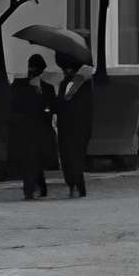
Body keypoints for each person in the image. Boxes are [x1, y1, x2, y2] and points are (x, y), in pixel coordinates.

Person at [8, 53, 58, 200]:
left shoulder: (47, 88)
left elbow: (53, 106)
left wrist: (46, 109)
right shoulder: (19, 85)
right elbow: (15, 106)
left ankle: (40, 187)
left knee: (37, 160)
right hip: (26, 129)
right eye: (32, 68)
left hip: (41, 129)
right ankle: (29, 189)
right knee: (29, 160)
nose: (33, 71)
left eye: (36, 69)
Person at [52, 54, 95, 198]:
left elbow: (85, 107)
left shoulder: (85, 84)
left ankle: (77, 185)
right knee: (67, 157)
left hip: (79, 127)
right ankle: (73, 184)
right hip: (66, 126)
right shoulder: (65, 84)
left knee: (75, 157)